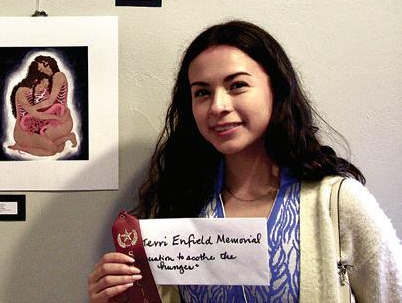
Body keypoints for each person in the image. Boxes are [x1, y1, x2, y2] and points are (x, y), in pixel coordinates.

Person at [88, 21, 402, 302]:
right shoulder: (176, 205)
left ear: (276, 89)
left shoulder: (337, 203)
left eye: (237, 85)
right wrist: (120, 296)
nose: (218, 106)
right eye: (202, 92)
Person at [9, 55, 77, 157]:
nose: (41, 72)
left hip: (60, 119)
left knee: (55, 148)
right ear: (36, 81)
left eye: (41, 69)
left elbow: (49, 102)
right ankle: (21, 147)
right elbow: (37, 113)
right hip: (27, 129)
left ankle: (22, 147)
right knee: (56, 149)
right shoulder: (23, 91)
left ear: (47, 64)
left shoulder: (57, 76)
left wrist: (35, 109)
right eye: (39, 71)